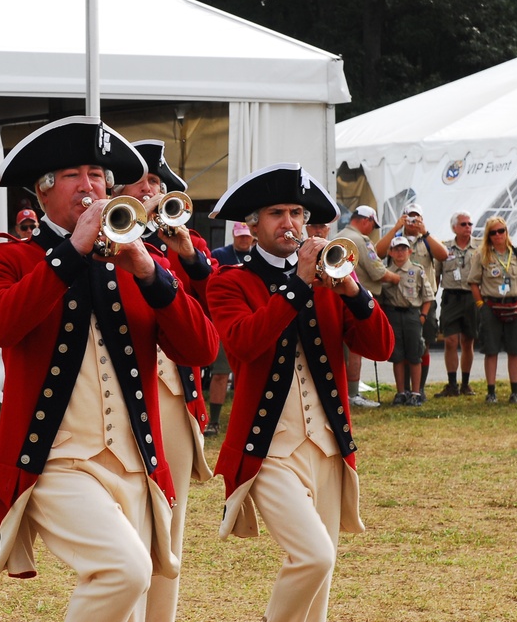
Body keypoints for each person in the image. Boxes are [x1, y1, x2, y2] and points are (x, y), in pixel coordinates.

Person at [0, 116, 218, 622]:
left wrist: (152, 273)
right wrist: (71, 251)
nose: (90, 185)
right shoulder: (10, 257)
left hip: (135, 462)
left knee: (128, 604)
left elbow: (201, 348)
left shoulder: (145, 258)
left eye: (97, 174)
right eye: (73, 175)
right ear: (42, 194)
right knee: (125, 571)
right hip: (53, 461)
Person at [206, 163, 394, 622]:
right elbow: (245, 343)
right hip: (267, 448)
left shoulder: (330, 280)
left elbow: (381, 347)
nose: (290, 223)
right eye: (276, 213)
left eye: (297, 212)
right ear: (251, 223)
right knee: (314, 557)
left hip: (328, 446)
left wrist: (352, 290)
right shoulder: (230, 280)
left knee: (321, 593)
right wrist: (297, 285)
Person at [122, 138, 215, 621]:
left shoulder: (185, 240)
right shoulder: (101, 237)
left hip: (174, 393)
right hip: (120, 388)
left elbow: (213, 297)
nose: (151, 188)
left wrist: (185, 252)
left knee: (170, 516)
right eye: (142, 180)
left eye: (157, 182)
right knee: (126, 515)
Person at [376, 203, 449, 395]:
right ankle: (404, 389)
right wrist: (395, 228)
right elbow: (378, 253)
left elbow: (443, 255)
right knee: (401, 346)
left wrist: (425, 232)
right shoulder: (396, 240)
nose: (412, 222)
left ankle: (420, 388)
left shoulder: (427, 240)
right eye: (409, 217)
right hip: (399, 300)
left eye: (416, 218)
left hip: (424, 301)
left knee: (422, 344)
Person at [335, 205, 400, 408]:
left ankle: (343, 391)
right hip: (358, 301)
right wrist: (398, 277)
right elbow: (378, 272)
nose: (371, 230)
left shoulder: (338, 237)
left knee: (340, 351)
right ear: (366, 220)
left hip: (338, 300)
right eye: (372, 225)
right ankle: (353, 394)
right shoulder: (361, 240)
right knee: (356, 350)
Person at [468, 216, 517, 404]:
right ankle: (491, 392)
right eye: (493, 232)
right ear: (489, 235)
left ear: (506, 232)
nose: (498, 235)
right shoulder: (482, 255)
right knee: (491, 350)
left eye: (501, 231)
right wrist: (481, 305)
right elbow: (473, 282)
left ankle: (515, 392)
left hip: (515, 306)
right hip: (492, 306)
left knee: (514, 350)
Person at [206, 221, 255, 434]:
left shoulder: (259, 256)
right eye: (240, 235)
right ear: (234, 235)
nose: (243, 239)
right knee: (220, 373)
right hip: (227, 322)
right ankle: (214, 421)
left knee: (249, 375)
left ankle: (246, 419)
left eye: (246, 236)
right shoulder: (220, 254)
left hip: (253, 319)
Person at [380, 236, 435, 406]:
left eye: (403, 249)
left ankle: (416, 392)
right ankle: (401, 392)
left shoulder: (417, 270)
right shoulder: (385, 272)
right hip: (393, 315)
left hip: (412, 314)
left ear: (410, 251)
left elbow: (428, 296)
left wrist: (423, 316)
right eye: (396, 249)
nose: (400, 252)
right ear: (390, 252)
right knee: (397, 355)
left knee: (415, 353)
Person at [434, 211, 480, 397]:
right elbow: (436, 274)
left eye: (470, 224)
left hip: (471, 296)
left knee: (468, 341)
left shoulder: (479, 247)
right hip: (451, 297)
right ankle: (452, 384)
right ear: (454, 227)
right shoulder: (444, 248)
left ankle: (466, 383)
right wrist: (431, 297)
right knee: (450, 341)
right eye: (463, 224)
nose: (467, 227)